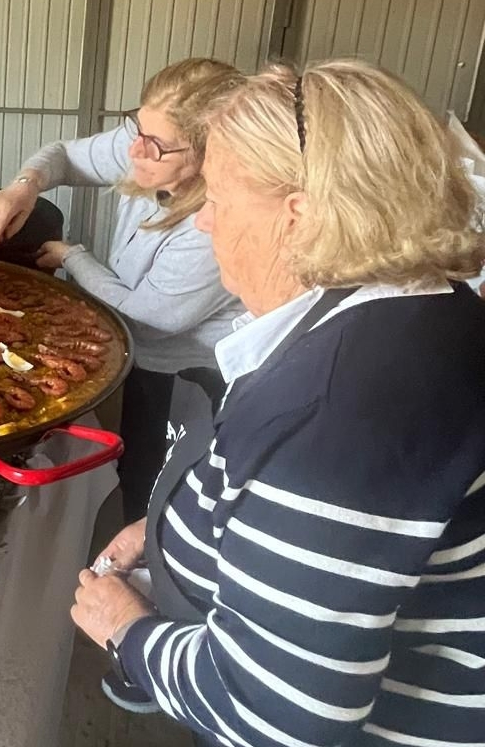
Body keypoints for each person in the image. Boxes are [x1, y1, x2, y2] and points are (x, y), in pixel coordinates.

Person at [71, 60, 485, 746]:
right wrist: (171, 532)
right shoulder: (419, 305)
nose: (204, 222)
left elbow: (275, 715)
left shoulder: (338, 415)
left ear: (300, 219)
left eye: (218, 198)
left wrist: (127, 630)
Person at [0, 58, 246, 524]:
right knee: (131, 467)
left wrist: (72, 256)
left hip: (194, 375)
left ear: (209, 155)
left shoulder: (213, 222)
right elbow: (64, 155)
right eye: (137, 130)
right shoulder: (147, 142)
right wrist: (25, 186)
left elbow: (148, 318)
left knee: (163, 492)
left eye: (156, 146)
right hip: (140, 355)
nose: (135, 151)